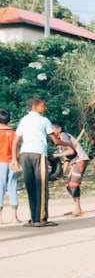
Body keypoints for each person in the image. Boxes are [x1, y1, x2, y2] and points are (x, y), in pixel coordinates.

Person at [12, 96, 71, 227]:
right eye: (43, 105)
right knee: (41, 187)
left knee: (31, 186)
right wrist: (70, 145)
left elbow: (15, 141)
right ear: (35, 106)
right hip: (38, 153)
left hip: (24, 154)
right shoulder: (44, 121)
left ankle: (34, 218)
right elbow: (55, 140)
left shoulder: (24, 120)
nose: (45, 108)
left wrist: (14, 160)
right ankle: (41, 219)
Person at [51, 122, 89, 217]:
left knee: (73, 185)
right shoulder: (60, 142)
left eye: (53, 130)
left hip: (80, 160)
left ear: (59, 129)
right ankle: (78, 208)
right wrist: (60, 175)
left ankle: (78, 209)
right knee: (69, 186)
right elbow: (67, 159)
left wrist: (55, 155)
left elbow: (70, 151)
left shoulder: (63, 136)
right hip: (74, 162)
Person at [0, 109, 20, 224]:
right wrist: (16, 160)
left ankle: (0, 217)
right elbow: (17, 149)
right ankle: (14, 216)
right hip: (12, 162)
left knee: (0, 188)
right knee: (13, 187)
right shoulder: (13, 133)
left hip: (1, 161)